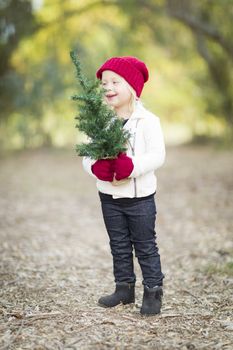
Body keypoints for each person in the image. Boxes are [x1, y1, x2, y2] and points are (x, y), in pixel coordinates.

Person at [82, 56, 166, 316]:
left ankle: (153, 290)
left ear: (132, 86)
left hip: (140, 198)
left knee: (144, 245)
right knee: (118, 244)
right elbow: (87, 154)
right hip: (109, 196)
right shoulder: (101, 122)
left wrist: (131, 167)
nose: (108, 87)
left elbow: (157, 155)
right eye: (104, 83)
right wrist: (97, 168)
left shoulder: (147, 121)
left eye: (115, 81)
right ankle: (124, 288)